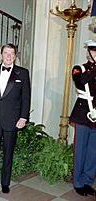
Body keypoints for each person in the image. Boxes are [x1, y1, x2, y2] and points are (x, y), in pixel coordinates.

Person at [0, 43, 30, 193]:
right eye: (6, 53)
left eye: (12, 54)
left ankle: (5, 182)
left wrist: (23, 117)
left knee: (8, 152)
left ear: (15, 56)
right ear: (1, 55)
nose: (9, 56)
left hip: (12, 119)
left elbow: (26, 97)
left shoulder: (22, 73)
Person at [69, 39, 96, 197]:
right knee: (80, 150)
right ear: (88, 53)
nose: (95, 54)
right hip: (83, 114)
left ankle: (87, 181)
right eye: (93, 51)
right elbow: (81, 80)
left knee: (93, 151)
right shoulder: (79, 69)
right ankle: (78, 182)